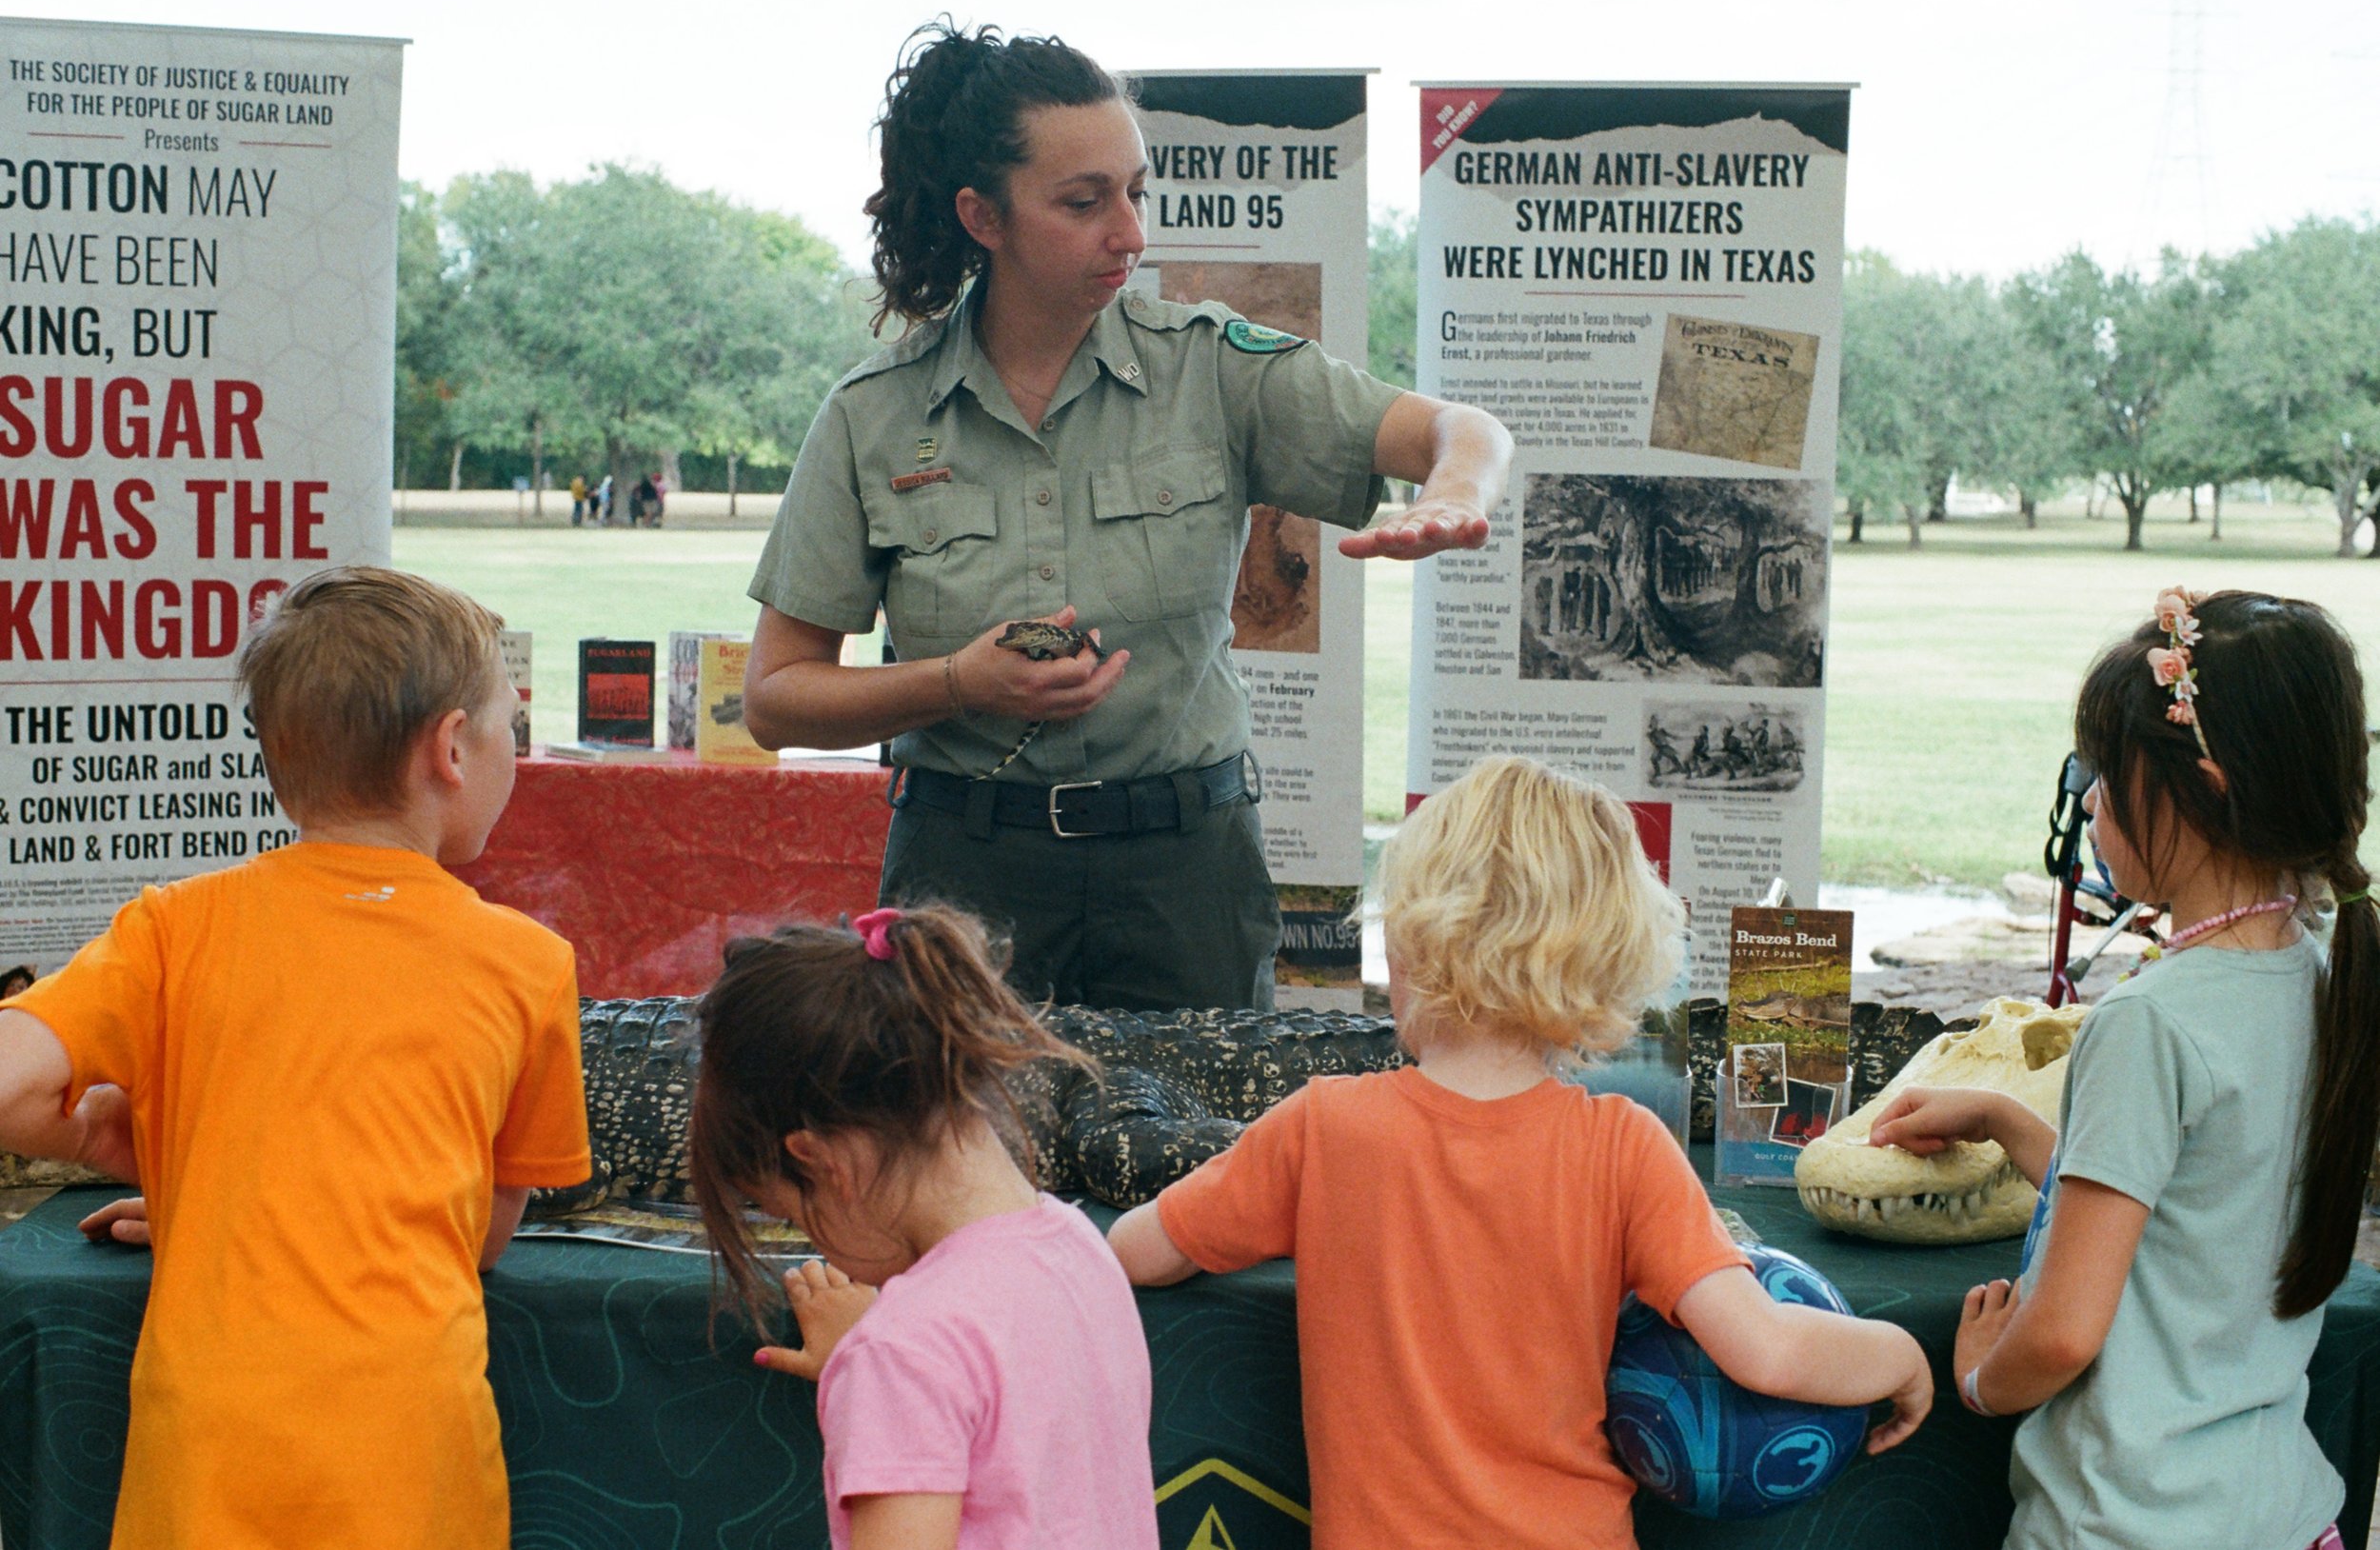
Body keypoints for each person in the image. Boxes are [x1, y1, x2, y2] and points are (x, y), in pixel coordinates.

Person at [742, 20, 1513, 1011]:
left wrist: (1451, 492)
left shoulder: (1210, 367)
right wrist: (955, 682)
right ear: (984, 215)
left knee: (1198, 1162)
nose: (1131, 232)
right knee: (957, 1157)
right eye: (1084, 200)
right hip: (966, 875)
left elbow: (1462, 427)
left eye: (1136, 191)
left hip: (1183, 873)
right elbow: (775, 698)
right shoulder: (872, 414)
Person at [1107, 755, 1932, 1550]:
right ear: (1609, 970)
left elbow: (1137, 1249)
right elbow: (1768, 1348)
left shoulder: (1322, 1128)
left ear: (1410, 944)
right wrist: (1899, 1353)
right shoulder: (1625, 1147)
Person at [0, 566, 591, 1549]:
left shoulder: (173, 927)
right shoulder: (528, 963)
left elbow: (14, 1076)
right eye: (508, 729)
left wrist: (182, 1163)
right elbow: (478, 1228)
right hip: (408, 1453)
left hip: (208, 1450)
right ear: (450, 747)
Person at [1869, 587, 2375, 1550]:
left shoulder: (2150, 1018)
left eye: (2109, 772)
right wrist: (2014, 1123)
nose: (2090, 799)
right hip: (2275, 1509)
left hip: (2126, 1520)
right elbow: (2204, 1199)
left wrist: (1979, 1378)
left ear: (2206, 787)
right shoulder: (2314, 970)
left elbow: (2060, 1330)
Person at [687, 904, 1157, 1550]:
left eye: (793, 1216)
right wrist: (874, 1364)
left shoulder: (899, 1356)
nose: (814, 1242)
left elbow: (929, 1364)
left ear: (822, 1161)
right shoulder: (1082, 1248)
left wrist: (878, 1366)